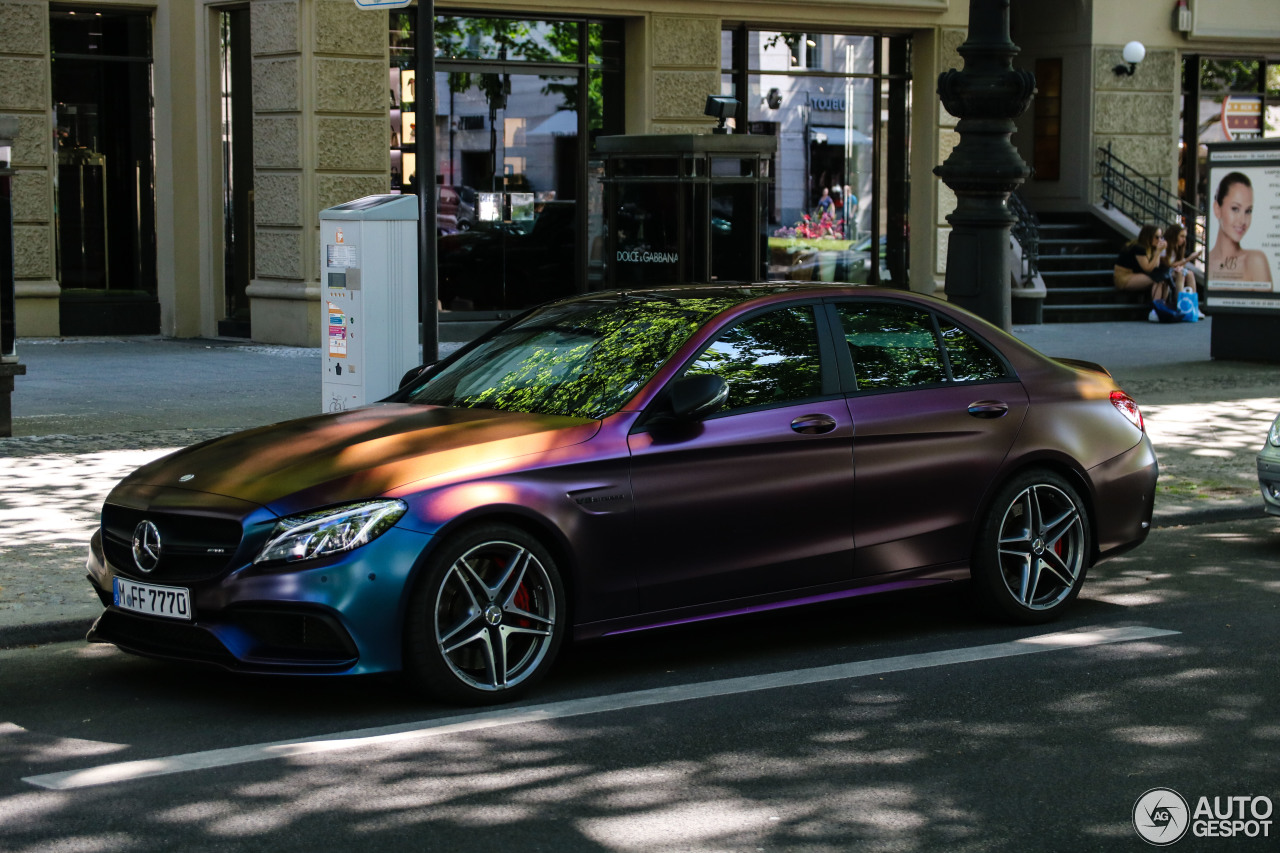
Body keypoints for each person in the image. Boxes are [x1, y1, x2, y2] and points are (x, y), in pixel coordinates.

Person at [1208, 172, 1273, 285]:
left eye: (1248, 211)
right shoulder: (1207, 263)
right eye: (1235, 209)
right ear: (1217, 209)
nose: (1242, 221)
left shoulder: (1256, 261)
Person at [1114, 224, 1172, 302]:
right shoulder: (1139, 248)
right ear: (1148, 236)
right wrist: (1158, 252)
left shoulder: (1150, 247)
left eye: (1161, 237)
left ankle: (1162, 306)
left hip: (1137, 274)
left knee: (1163, 279)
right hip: (1124, 277)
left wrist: (1158, 251)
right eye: (1157, 237)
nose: (1159, 240)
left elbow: (1156, 266)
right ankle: (1156, 308)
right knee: (1158, 279)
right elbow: (1148, 269)